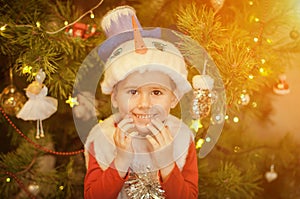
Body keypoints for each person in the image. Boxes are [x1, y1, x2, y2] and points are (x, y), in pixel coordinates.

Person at [84, 6, 198, 199]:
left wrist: (168, 163)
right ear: (114, 97)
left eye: (156, 92)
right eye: (133, 91)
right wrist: (120, 161)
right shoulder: (101, 137)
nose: (144, 103)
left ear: (174, 98)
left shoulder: (182, 139)